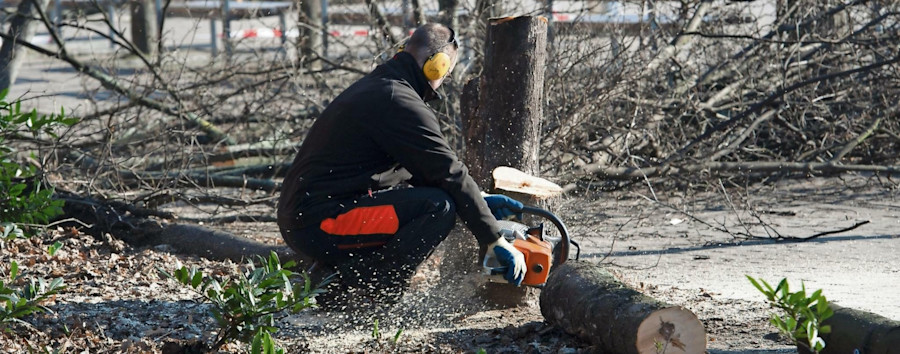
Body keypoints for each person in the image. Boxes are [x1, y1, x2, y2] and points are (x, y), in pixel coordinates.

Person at [277, 23, 526, 307]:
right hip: (319, 222)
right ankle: (368, 291)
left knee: (437, 200)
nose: (444, 78)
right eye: (447, 72)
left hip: (310, 216)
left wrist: (477, 200)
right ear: (437, 64)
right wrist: (494, 239)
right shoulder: (399, 100)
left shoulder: (384, 88)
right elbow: (448, 171)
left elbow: (424, 168)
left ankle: (333, 279)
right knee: (438, 207)